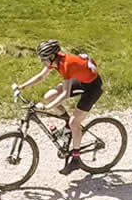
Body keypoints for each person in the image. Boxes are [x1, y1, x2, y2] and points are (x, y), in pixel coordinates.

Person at [13, 39, 103, 175]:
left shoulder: (66, 65)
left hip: (93, 87)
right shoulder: (54, 60)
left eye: (43, 59)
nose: (42, 62)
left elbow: (66, 94)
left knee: (74, 123)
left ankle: (76, 158)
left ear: (51, 57)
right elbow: (41, 76)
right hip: (81, 79)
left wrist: (48, 107)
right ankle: (67, 122)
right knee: (49, 95)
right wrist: (22, 86)